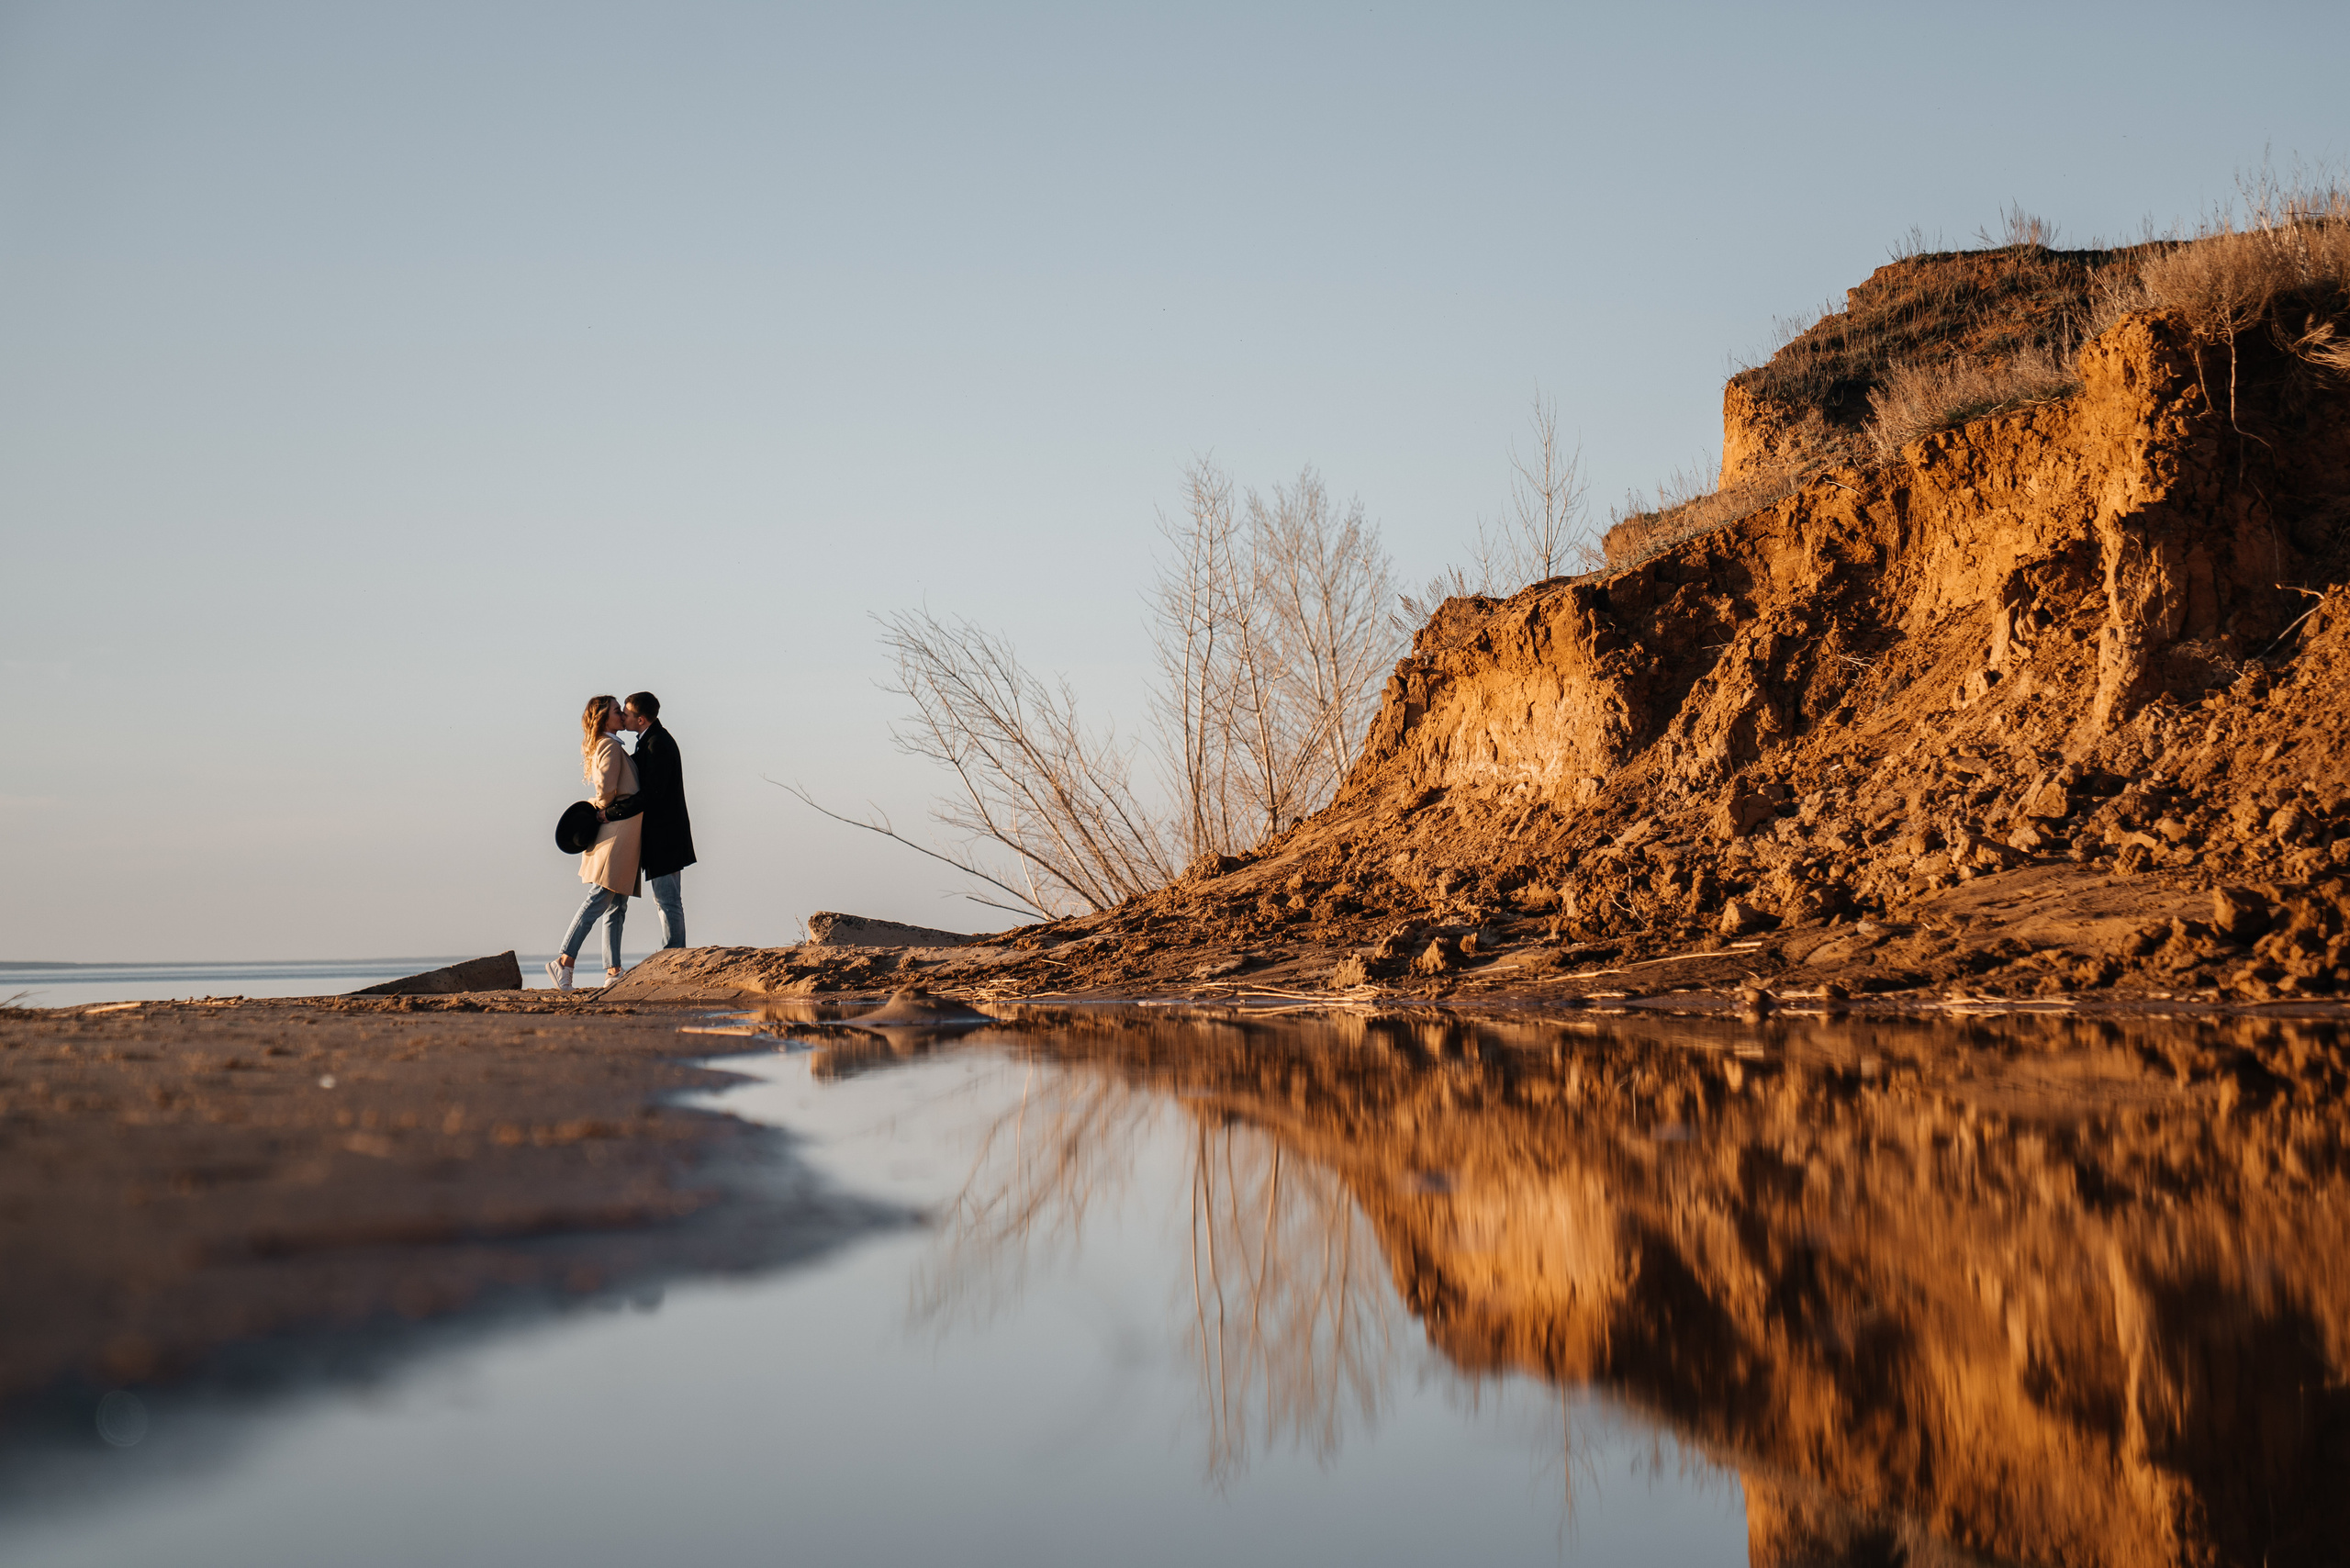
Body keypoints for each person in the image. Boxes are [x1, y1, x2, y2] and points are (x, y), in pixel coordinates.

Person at [547, 695, 642, 991]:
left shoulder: (611, 744)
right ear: (604, 718)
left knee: (617, 902)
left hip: (624, 829)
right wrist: (604, 810)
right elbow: (605, 787)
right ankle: (564, 960)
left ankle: (613, 970)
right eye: (617, 711)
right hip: (617, 828)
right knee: (601, 896)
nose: (622, 715)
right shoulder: (610, 745)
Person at [610, 690, 696, 947]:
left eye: (627, 713)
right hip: (663, 835)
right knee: (666, 899)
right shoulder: (649, 740)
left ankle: (675, 954)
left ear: (641, 719)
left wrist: (612, 812)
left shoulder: (657, 743)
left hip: (665, 836)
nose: (623, 717)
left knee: (667, 899)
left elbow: (651, 795)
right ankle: (674, 951)